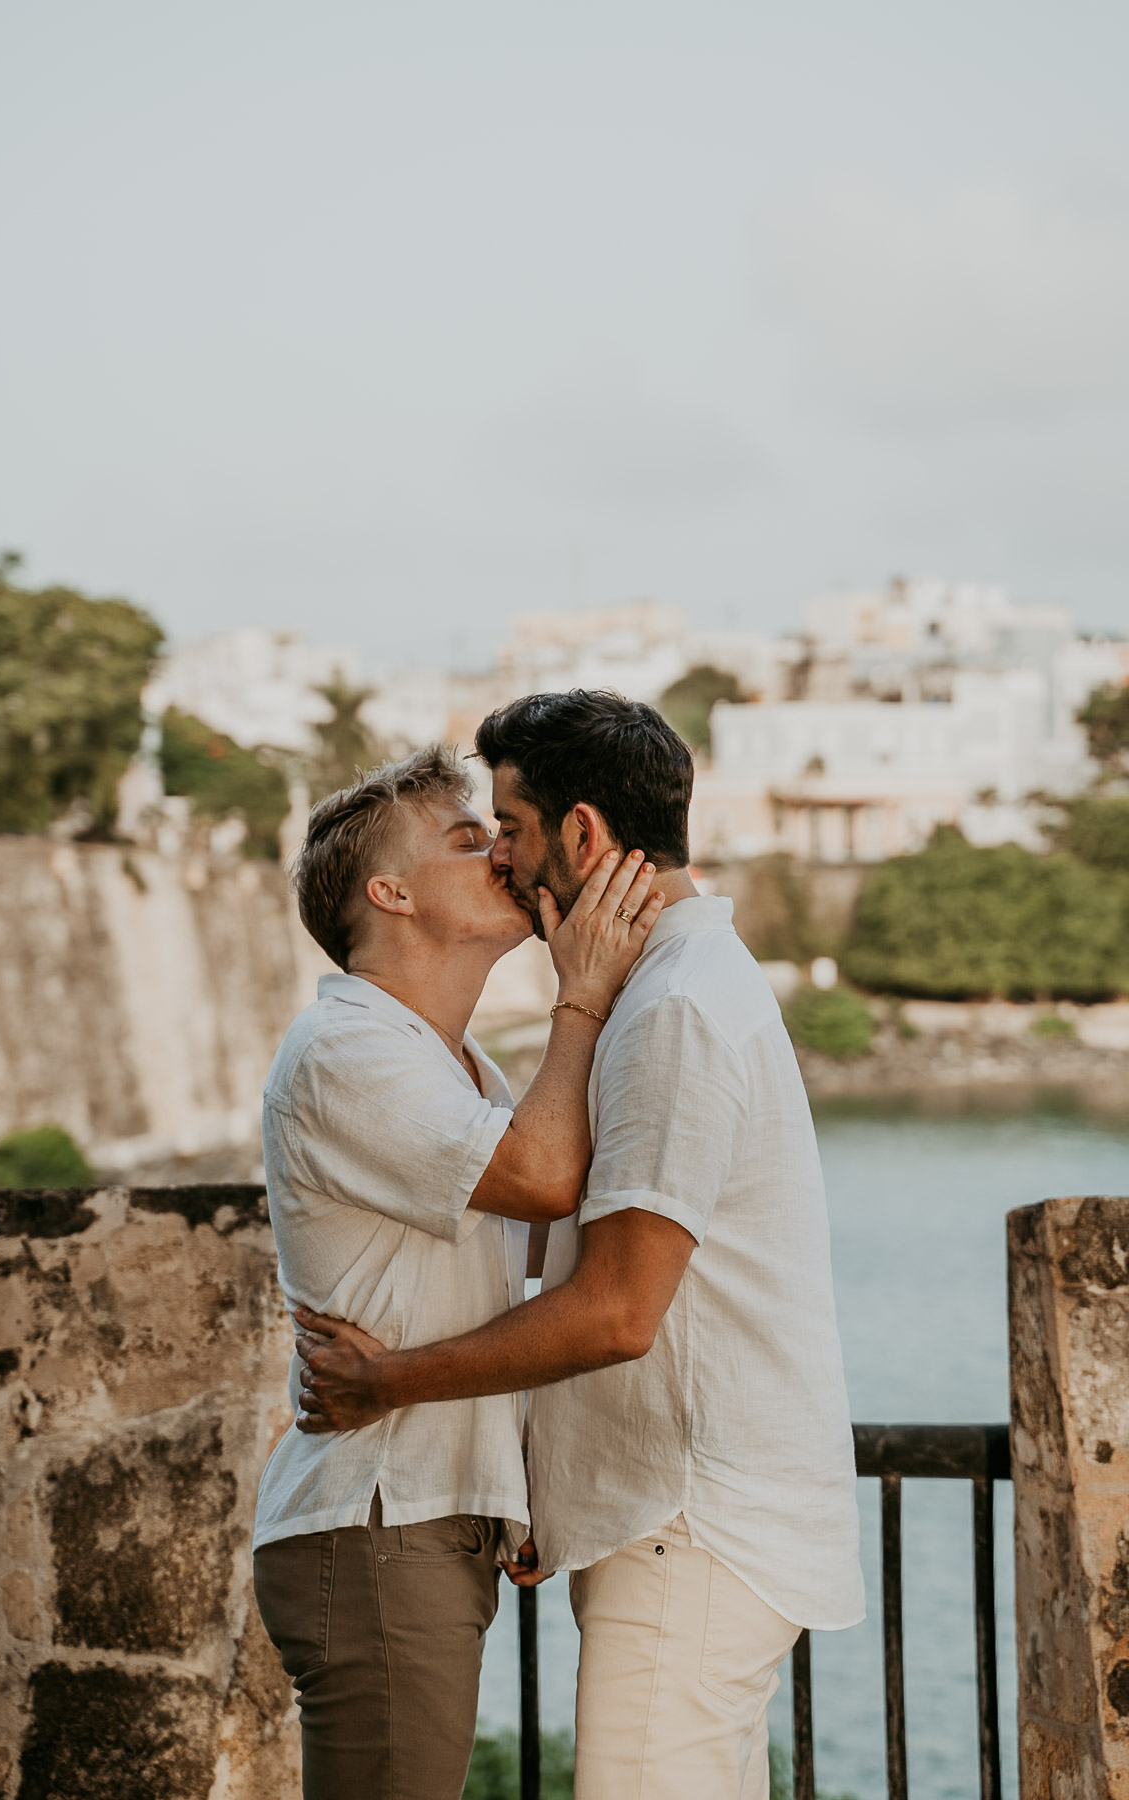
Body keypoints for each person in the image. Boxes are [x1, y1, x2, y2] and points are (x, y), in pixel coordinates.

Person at [294, 690, 865, 1800]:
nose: (505, 859)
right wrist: (552, 1483)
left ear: (586, 836)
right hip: (673, 1520)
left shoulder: (670, 1008)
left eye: (507, 828)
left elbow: (615, 1311)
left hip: (689, 1525)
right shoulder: (671, 991)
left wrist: (388, 1379)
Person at [252, 742, 663, 1800]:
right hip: (375, 1518)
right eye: (466, 839)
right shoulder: (347, 1045)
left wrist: (518, 1484)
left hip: (419, 1518)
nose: (498, 856)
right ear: (389, 893)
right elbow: (538, 1178)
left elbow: (544, 1242)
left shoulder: (454, 1066)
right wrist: (584, 992)